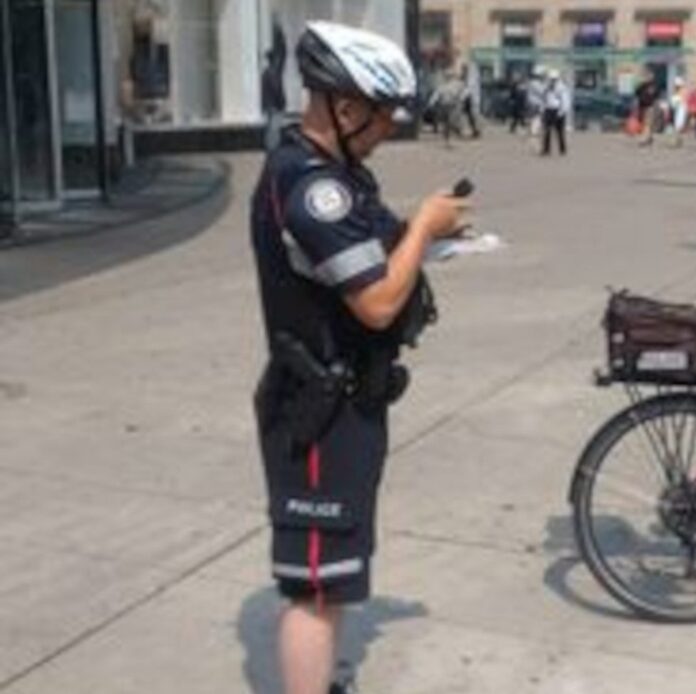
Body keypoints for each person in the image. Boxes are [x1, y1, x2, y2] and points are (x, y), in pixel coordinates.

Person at [249, 22, 467, 694]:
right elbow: (374, 302)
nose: (387, 131)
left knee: (336, 572)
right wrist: (425, 229)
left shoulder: (338, 177)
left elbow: (370, 254)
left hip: (347, 404)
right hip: (318, 413)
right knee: (316, 584)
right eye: (382, 118)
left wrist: (423, 235)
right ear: (344, 109)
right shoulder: (311, 186)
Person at [260, 17, 288, 150]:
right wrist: (282, 102)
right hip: (275, 105)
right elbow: (282, 52)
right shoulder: (273, 72)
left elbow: (282, 52)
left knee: (271, 127)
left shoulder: (267, 72)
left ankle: (271, 147)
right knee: (274, 128)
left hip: (269, 105)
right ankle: (272, 149)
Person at [541, 70, 569, 156]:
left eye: (554, 79)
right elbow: (544, 99)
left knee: (559, 132)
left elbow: (565, 100)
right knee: (546, 131)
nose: (552, 81)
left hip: (558, 110)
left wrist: (562, 112)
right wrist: (543, 109)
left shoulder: (561, 88)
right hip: (548, 110)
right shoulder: (546, 87)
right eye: (551, 79)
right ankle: (546, 150)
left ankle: (562, 149)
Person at [634, 70, 661, 146]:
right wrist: (641, 84)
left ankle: (644, 139)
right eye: (647, 76)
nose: (648, 77)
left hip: (650, 106)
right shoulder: (642, 85)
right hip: (642, 106)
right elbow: (636, 92)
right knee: (645, 123)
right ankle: (649, 138)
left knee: (648, 123)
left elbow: (657, 96)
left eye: (650, 76)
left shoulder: (654, 85)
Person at [458, 64, 481, 139]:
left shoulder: (471, 77)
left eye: (464, 69)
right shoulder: (468, 77)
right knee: (469, 116)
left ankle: (475, 130)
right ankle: (475, 130)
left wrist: (462, 96)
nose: (463, 71)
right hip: (469, 99)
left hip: (471, 99)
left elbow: (469, 88)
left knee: (471, 116)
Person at [668, 76, 689, 147]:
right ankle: (678, 140)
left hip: (681, 109)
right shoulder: (680, 92)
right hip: (678, 109)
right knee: (678, 125)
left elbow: (680, 101)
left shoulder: (682, 91)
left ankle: (677, 141)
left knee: (679, 125)